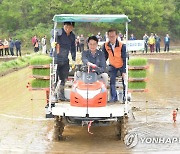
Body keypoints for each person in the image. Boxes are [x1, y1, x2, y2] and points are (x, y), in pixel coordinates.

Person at [102, 29, 126, 103]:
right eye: (110, 36)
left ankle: (124, 97)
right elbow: (104, 57)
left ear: (116, 36)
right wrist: (101, 66)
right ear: (108, 36)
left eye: (113, 36)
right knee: (112, 81)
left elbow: (125, 58)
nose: (111, 38)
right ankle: (113, 98)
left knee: (124, 81)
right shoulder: (105, 45)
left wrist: (124, 71)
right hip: (112, 65)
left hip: (121, 64)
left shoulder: (122, 45)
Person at [54, 22, 76, 101]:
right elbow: (52, 36)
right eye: (66, 26)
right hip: (56, 58)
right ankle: (55, 95)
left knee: (64, 78)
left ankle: (61, 95)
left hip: (65, 59)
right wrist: (52, 42)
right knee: (55, 79)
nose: (68, 29)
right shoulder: (58, 32)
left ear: (72, 28)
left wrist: (73, 59)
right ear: (63, 26)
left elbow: (73, 48)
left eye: (70, 27)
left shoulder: (72, 36)